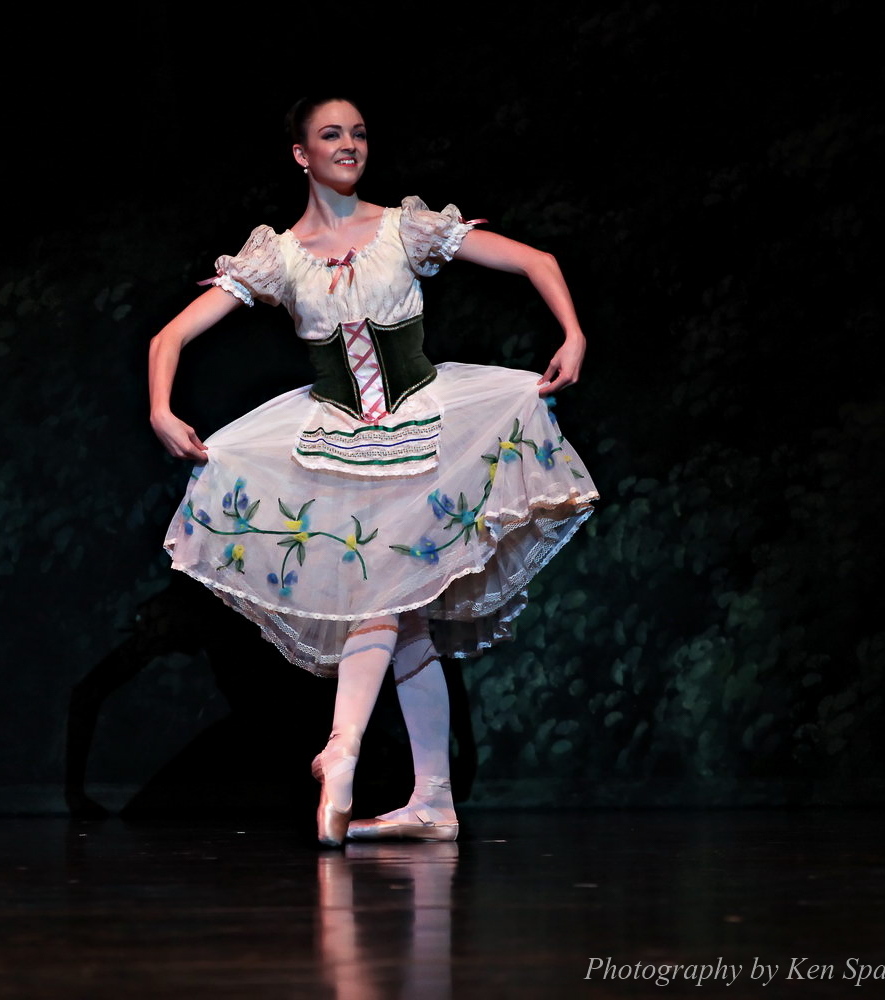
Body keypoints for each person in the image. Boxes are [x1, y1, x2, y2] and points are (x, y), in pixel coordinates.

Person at [149, 96, 599, 847]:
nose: (349, 144)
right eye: (332, 135)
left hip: (428, 429)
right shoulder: (280, 256)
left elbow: (536, 260)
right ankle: (431, 798)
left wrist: (574, 332)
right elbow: (170, 336)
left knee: (391, 598)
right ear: (302, 153)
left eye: (358, 133)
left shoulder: (403, 228)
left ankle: (345, 751)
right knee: (402, 608)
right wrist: (163, 409)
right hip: (336, 444)